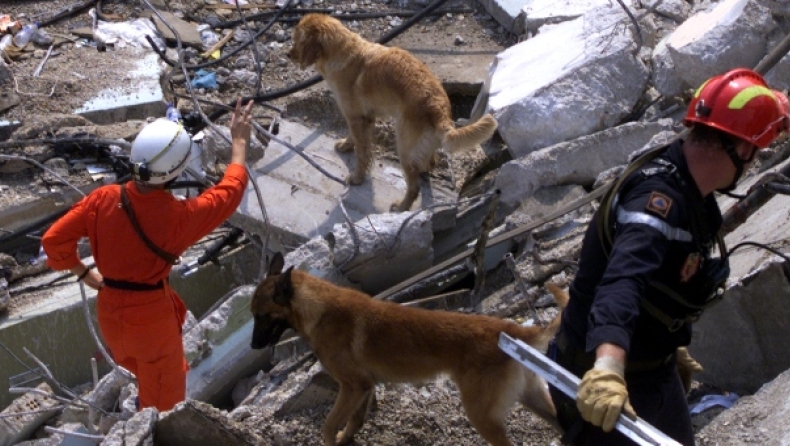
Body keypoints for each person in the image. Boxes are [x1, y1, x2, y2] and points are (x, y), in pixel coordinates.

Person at [547, 68, 790, 445]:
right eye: (756, 152)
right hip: (603, 379)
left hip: (655, 370)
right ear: (741, 149)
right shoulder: (656, 205)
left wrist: (670, 337)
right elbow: (620, 285)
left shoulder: (692, 189)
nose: (755, 161)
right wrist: (609, 368)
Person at [42, 99, 255, 411]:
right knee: (164, 403)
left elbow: (53, 241)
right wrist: (239, 142)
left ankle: (143, 403)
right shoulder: (178, 218)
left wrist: (85, 274)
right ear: (176, 170)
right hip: (151, 321)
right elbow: (230, 190)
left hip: (110, 312)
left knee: (142, 374)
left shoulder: (103, 198)